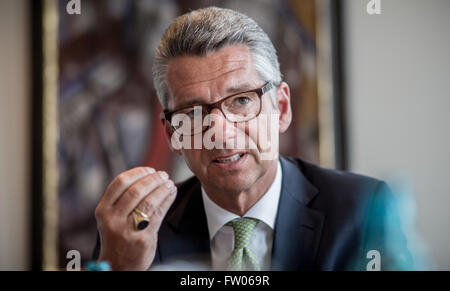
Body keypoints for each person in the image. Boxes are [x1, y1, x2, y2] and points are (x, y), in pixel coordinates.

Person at [93, 7, 412, 271]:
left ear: (282, 108)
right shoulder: (136, 233)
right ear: (173, 133)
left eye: (241, 100)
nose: (220, 132)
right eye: (193, 112)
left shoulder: (361, 212)